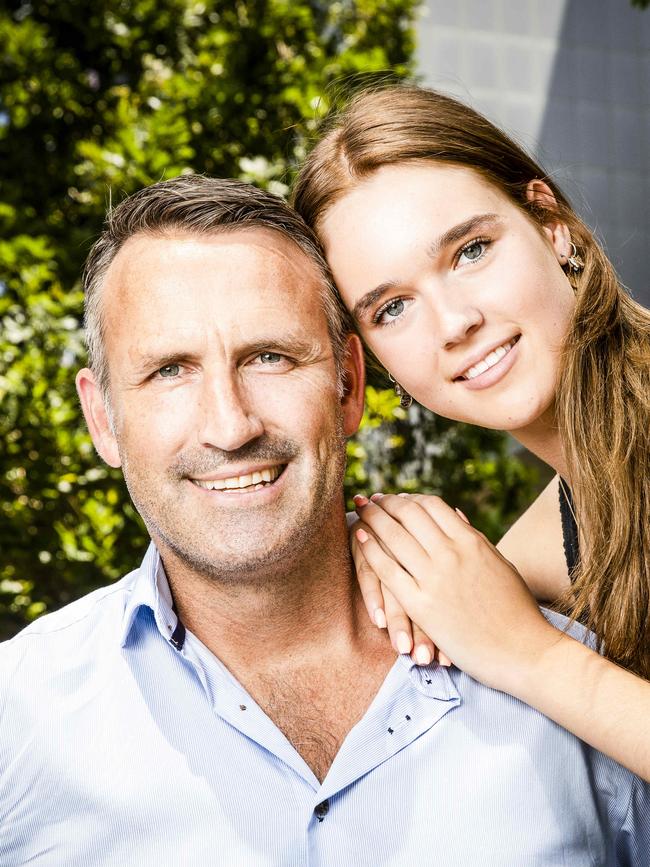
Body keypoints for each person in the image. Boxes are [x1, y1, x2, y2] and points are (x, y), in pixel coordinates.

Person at [1, 174, 648, 867]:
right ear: (102, 416)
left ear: (349, 383)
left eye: (270, 357)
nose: (230, 424)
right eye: (169, 370)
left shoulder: (565, 669)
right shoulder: (21, 719)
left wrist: (535, 659)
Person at [292, 84, 650, 780]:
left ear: (551, 224)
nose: (454, 322)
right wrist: (388, 563)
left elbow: (514, 642)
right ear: (373, 360)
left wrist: (531, 656)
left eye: (471, 251)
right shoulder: (546, 553)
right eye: (393, 307)